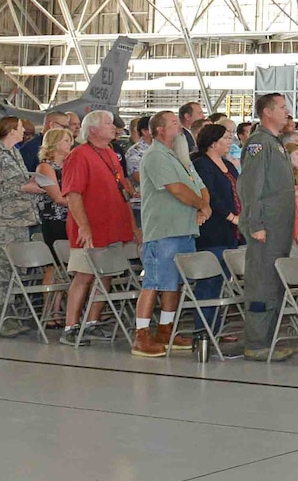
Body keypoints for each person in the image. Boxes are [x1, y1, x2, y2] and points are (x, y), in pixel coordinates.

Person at [134, 110, 209, 358]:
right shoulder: (155, 156)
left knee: (173, 283)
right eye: (174, 123)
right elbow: (176, 189)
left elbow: (200, 186)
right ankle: (141, 334)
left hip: (184, 229)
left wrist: (204, 204)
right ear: (159, 130)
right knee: (154, 281)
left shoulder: (177, 157)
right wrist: (200, 205)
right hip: (163, 230)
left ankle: (166, 329)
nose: (179, 127)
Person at [60, 111, 136, 340]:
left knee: (106, 274)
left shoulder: (111, 153)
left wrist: (132, 226)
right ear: (92, 129)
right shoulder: (79, 155)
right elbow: (73, 194)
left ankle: (93, 321)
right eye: (108, 124)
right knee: (83, 275)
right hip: (90, 228)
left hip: (112, 226)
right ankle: (70, 327)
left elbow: (123, 193)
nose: (114, 127)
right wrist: (83, 226)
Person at [238, 93, 298, 360]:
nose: (287, 112)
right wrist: (256, 223)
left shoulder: (276, 144)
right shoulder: (259, 145)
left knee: (275, 283)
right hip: (265, 228)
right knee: (261, 283)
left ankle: (269, 340)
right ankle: (256, 342)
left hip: (279, 228)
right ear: (267, 112)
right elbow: (252, 187)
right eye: (283, 108)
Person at [0, 116, 45, 334]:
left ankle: (9, 314)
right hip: (2, 222)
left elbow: (16, 181)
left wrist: (31, 183)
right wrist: (24, 188)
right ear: (11, 130)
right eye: (19, 128)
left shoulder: (14, 152)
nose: (23, 131)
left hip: (20, 220)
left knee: (15, 269)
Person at [191, 121, 242, 342]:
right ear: (213, 143)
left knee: (223, 281)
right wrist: (230, 216)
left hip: (231, 230)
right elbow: (210, 194)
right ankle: (203, 330)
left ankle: (216, 328)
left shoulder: (227, 165)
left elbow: (237, 190)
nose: (230, 142)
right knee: (209, 280)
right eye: (226, 138)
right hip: (213, 227)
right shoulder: (202, 164)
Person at [33, 126, 73, 253]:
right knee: (56, 261)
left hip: (70, 217)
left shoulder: (69, 166)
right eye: (66, 140)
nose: (70, 144)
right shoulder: (45, 167)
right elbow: (58, 198)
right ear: (55, 143)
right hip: (55, 219)